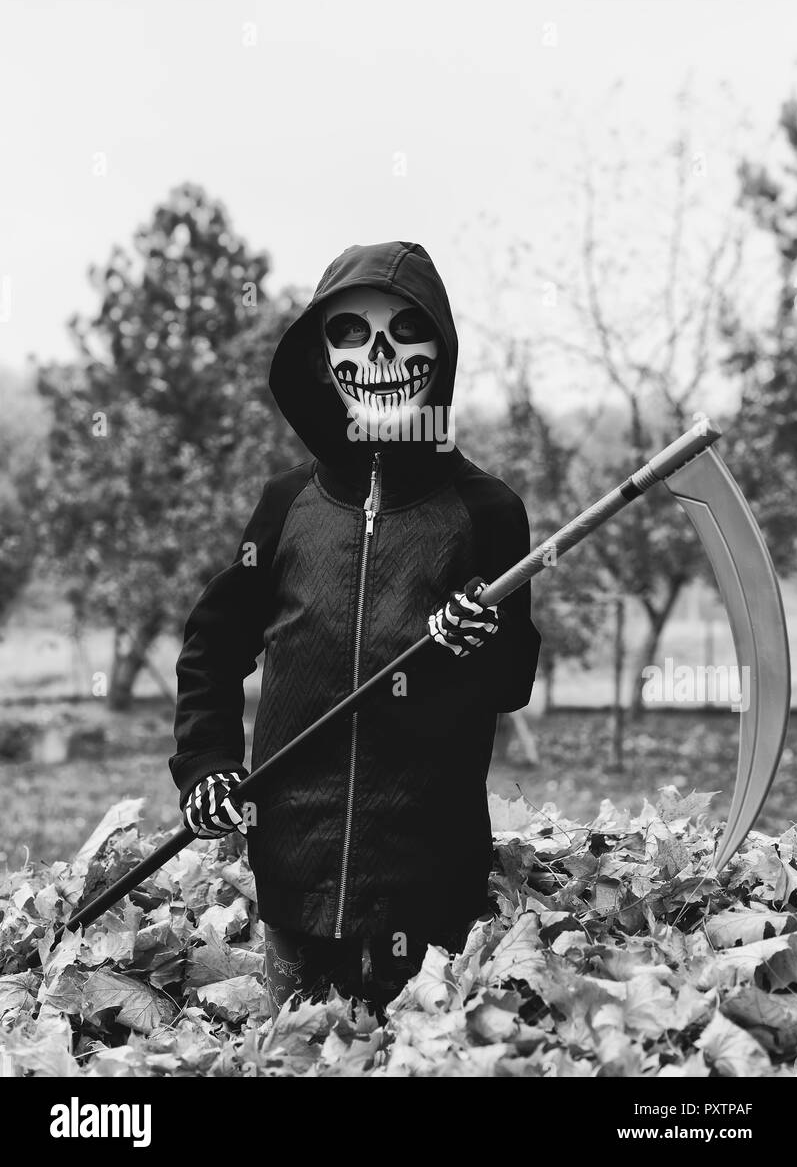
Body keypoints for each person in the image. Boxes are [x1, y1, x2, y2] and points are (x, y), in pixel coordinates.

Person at [170, 241, 540, 1016]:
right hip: (290, 880)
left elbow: (510, 682)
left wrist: (482, 638)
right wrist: (206, 761)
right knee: (294, 1056)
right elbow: (211, 648)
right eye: (349, 332)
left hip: (430, 890)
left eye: (406, 330)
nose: (379, 354)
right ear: (319, 355)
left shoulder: (488, 512)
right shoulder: (285, 506)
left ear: (440, 350)